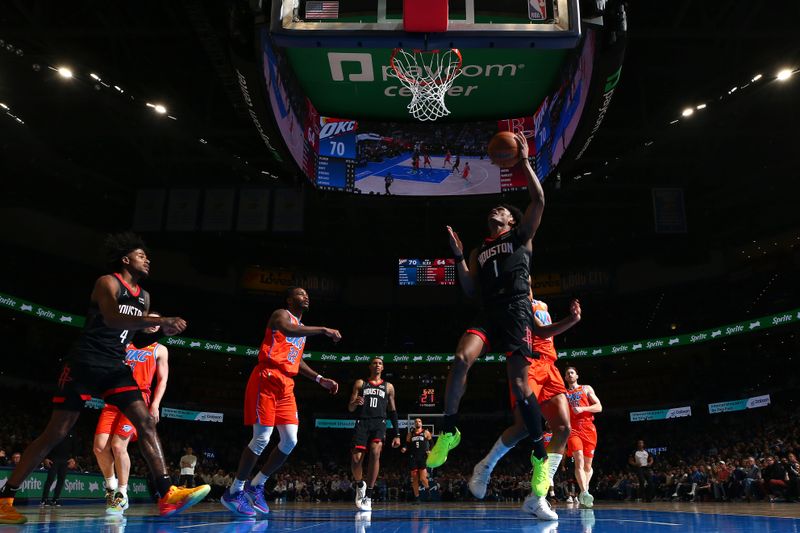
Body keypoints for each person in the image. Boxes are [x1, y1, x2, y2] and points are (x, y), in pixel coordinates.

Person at [0, 233, 209, 525]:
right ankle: (5, 499)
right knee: (55, 434)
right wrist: (159, 320)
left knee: (146, 421)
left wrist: (161, 333)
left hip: (114, 366)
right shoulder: (108, 282)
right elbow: (112, 318)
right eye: (141, 255)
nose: (147, 260)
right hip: (84, 363)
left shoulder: (144, 296)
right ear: (125, 259)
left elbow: (132, 334)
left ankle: (167, 494)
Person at [428, 133, 553, 519]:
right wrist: (455, 258)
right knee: (461, 358)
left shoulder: (521, 237)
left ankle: (538, 456)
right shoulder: (477, 250)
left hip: (516, 310)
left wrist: (524, 163)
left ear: (510, 220)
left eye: (502, 209)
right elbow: (468, 288)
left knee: (519, 386)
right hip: (488, 310)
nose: (494, 211)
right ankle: (449, 429)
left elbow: (539, 200)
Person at [221, 286, 341, 518]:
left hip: (286, 384)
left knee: (290, 440)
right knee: (262, 438)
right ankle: (234, 491)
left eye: (307, 295)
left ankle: (256, 485)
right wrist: (324, 329)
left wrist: (319, 378)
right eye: (300, 294)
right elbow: (290, 330)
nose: (305, 296)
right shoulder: (281, 315)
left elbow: (296, 360)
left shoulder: (301, 331)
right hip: (266, 378)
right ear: (289, 300)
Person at [469, 294, 582, 512]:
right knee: (523, 427)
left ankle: (536, 497)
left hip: (550, 365)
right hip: (527, 363)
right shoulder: (515, 301)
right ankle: (485, 466)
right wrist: (572, 320)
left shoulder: (543, 303)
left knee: (563, 428)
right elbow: (540, 330)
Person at [93, 314, 170, 515]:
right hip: (114, 397)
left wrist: (155, 405)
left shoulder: (159, 349)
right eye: (150, 320)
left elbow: (162, 380)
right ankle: (110, 487)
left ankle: (122, 493)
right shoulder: (126, 342)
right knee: (100, 447)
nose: (153, 325)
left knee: (118, 446)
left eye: (157, 322)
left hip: (138, 399)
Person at [348, 357, 401, 511]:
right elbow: (350, 408)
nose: (377, 365)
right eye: (375, 363)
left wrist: (397, 434)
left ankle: (369, 495)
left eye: (380, 363)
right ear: (370, 366)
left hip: (379, 422)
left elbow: (393, 411)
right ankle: (360, 485)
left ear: (382, 368)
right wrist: (354, 402)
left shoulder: (388, 387)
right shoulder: (360, 383)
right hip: (362, 421)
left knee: (375, 452)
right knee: (356, 459)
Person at [564, 366, 602, 507]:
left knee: (588, 466)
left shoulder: (586, 388)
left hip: (588, 428)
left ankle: (583, 492)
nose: (569, 374)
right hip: (573, 429)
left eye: (572, 372)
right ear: (565, 378)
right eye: (567, 373)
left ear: (577, 375)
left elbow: (599, 407)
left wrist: (583, 408)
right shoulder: (564, 393)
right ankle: (585, 492)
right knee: (578, 459)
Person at [401, 418, 432, 503]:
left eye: (419, 421)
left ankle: (427, 489)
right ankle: (417, 498)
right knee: (414, 478)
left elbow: (431, 443)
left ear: (421, 423)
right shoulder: (410, 434)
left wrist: (430, 450)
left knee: (422, 478)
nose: (417, 423)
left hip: (422, 457)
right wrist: (404, 448)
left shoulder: (426, 432)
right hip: (413, 457)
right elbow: (406, 444)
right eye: (416, 422)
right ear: (414, 424)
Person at [40, 432, 75, 507]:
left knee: (61, 480)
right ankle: (44, 499)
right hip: (53, 459)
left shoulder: (70, 433)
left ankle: (55, 499)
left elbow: (74, 446)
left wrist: (73, 458)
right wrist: (45, 458)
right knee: (50, 478)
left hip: (65, 460)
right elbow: (46, 445)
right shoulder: (54, 432)